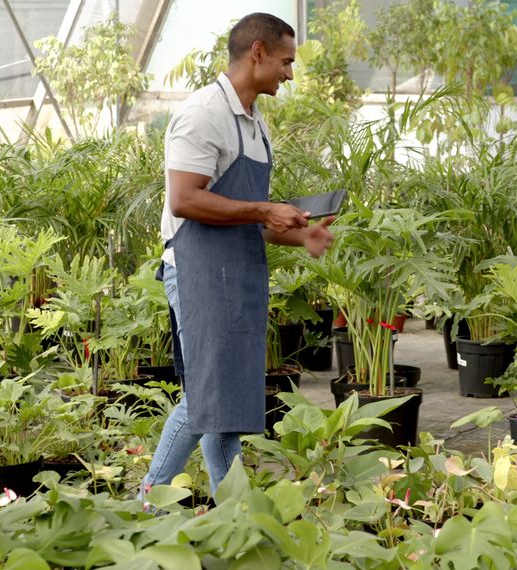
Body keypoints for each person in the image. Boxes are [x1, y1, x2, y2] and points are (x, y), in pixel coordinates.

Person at [140, 13, 335, 501]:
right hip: (199, 272)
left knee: (224, 397)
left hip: (237, 272)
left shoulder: (254, 124)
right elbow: (184, 199)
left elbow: (248, 218)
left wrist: (301, 234)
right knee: (208, 394)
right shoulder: (204, 113)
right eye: (287, 62)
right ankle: (149, 496)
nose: (289, 74)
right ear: (258, 53)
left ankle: (233, 506)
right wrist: (265, 208)